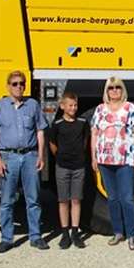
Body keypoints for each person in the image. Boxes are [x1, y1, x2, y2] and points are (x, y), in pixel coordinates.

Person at [0, 70, 48, 253]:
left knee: (34, 199)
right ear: (8, 86)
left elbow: (40, 131)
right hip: (8, 157)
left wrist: (40, 156)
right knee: (6, 200)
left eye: (22, 83)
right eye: (15, 83)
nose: (19, 86)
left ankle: (36, 237)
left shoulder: (33, 105)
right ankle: (7, 239)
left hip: (30, 156)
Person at [90, 77, 134, 250]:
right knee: (112, 198)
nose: (114, 91)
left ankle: (132, 235)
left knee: (127, 198)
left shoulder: (130, 108)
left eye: (118, 87)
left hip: (125, 160)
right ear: (106, 91)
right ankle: (118, 232)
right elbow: (94, 134)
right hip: (105, 160)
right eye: (111, 88)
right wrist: (93, 157)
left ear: (123, 90)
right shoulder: (100, 109)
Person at [47, 91, 89, 249]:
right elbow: (52, 143)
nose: (73, 108)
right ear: (62, 106)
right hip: (62, 167)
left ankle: (75, 232)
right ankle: (65, 233)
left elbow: (85, 141)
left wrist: (79, 155)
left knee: (76, 200)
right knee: (63, 201)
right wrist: (59, 156)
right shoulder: (57, 125)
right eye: (70, 105)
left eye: (75, 105)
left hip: (79, 167)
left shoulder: (83, 123)